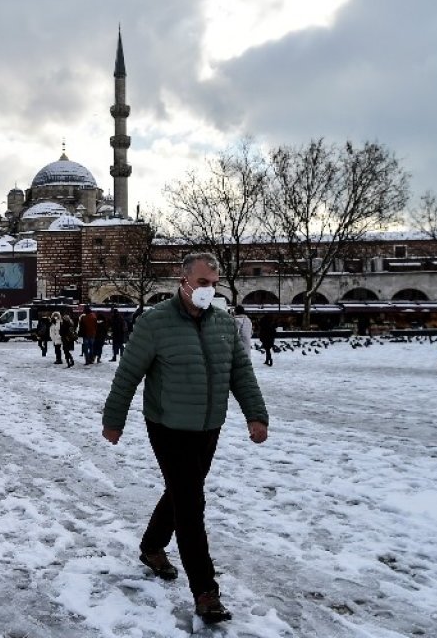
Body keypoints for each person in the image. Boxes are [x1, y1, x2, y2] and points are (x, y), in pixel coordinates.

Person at [100, 252, 269, 625]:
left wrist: (256, 415)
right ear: (184, 280)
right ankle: (205, 591)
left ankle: (151, 546)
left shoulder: (224, 325)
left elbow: (240, 372)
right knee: (191, 503)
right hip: (168, 425)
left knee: (181, 492)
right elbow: (128, 375)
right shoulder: (154, 323)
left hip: (209, 425)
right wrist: (114, 420)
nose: (209, 290)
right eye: (203, 282)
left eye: (214, 284)